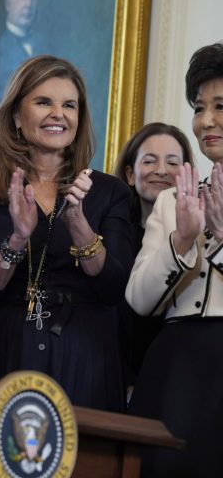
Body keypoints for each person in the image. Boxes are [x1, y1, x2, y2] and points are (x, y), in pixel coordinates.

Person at [0, 55, 134, 412]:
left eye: (69, 105)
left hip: (86, 353)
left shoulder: (109, 193)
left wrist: (78, 223)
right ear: (15, 115)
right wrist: (18, 239)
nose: (59, 114)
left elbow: (114, 288)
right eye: (44, 102)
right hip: (7, 348)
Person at [126, 42, 223, 477]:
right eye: (199, 107)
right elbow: (140, 300)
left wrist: (220, 238)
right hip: (175, 364)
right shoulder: (171, 200)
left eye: (220, 106)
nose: (206, 121)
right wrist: (182, 240)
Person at [111, 122, 194, 388]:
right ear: (130, 174)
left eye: (173, 163)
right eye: (149, 161)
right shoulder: (110, 236)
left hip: (172, 377)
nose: (161, 171)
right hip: (110, 372)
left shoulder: (196, 237)